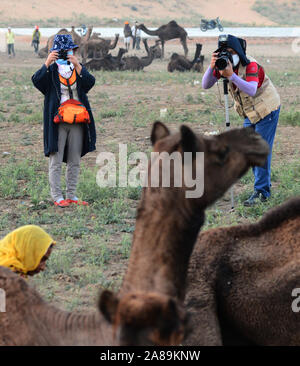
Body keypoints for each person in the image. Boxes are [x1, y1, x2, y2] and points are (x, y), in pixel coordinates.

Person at [202, 34, 280, 206]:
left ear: (238, 51)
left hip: (267, 109)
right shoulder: (224, 65)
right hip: (250, 113)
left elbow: (251, 89)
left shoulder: (251, 65)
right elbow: (205, 84)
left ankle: (262, 192)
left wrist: (231, 76)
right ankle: (261, 187)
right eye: (224, 51)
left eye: (231, 51)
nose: (228, 55)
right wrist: (211, 66)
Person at [32, 34, 96, 207]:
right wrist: (47, 63)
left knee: (74, 159)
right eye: (60, 51)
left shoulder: (77, 68)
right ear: (54, 52)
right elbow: (36, 81)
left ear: (73, 50)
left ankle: (72, 195)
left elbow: (90, 83)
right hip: (58, 122)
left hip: (78, 121)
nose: (64, 54)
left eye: (68, 50)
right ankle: (57, 197)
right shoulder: (51, 72)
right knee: (56, 158)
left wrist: (78, 64)